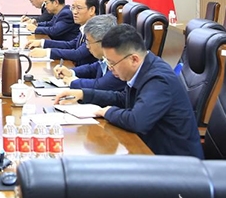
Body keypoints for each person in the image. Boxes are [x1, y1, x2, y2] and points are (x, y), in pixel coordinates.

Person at [54, 24, 203, 158]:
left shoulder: (158, 80)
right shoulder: (144, 69)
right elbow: (122, 98)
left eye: (112, 63)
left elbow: (137, 121)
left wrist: (107, 112)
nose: (110, 68)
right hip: (152, 151)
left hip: (177, 164)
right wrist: (83, 94)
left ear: (134, 59)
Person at [52, 15, 124, 91]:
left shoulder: (119, 61)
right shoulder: (105, 58)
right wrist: (71, 72)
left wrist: (73, 82)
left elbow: (100, 85)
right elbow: (92, 69)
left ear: (103, 41)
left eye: (89, 42)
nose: (87, 46)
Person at [26, 0, 99, 66]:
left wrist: (47, 52)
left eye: (79, 8)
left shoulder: (96, 29)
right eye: (73, 8)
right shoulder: (85, 26)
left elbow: (78, 54)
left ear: (92, 10)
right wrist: (42, 43)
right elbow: (70, 45)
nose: (74, 12)